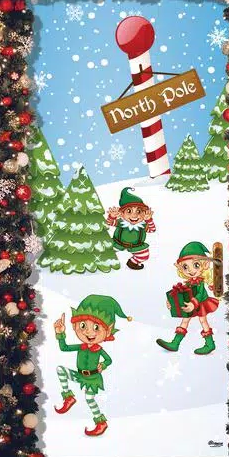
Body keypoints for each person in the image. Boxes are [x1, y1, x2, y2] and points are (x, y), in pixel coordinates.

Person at [53, 294, 131, 437]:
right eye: (83, 325)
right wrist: (60, 334)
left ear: (108, 330)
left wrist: (103, 365)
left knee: (89, 399)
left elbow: (109, 360)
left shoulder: (99, 349)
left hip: (93, 378)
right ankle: (69, 397)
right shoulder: (81, 347)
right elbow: (64, 348)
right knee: (61, 370)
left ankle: (101, 422)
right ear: (75, 326)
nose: (88, 332)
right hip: (80, 375)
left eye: (96, 327)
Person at [156, 242, 219, 355]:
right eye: (185, 267)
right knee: (185, 320)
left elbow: (200, 294)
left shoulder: (200, 282)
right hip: (191, 304)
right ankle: (175, 343)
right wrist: (171, 302)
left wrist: (193, 304)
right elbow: (182, 292)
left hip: (201, 303)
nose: (190, 270)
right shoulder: (189, 282)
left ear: (204, 265)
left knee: (203, 320)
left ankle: (210, 344)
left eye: (196, 265)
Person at [105, 187, 156, 270]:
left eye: (139, 211)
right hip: (118, 243)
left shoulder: (142, 225)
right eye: (129, 211)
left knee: (144, 255)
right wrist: (112, 217)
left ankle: (132, 262)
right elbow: (109, 223)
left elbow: (152, 229)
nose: (134, 215)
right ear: (122, 213)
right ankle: (107, 260)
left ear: (144, 213)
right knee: (106, 249)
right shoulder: (121, 222)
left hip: (136, 246)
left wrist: (149, 220)